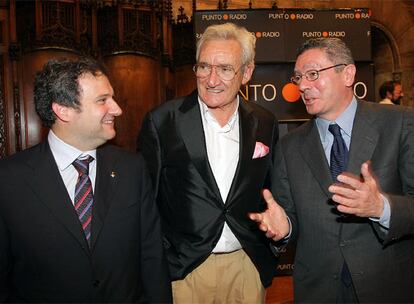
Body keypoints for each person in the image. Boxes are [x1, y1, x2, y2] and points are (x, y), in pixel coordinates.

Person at [250, 38, 414, 303]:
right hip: (318, 291)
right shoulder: (291, 145)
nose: (302, 85)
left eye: (313, 74)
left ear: (347, 73)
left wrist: (380, 208)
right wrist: (284, 229)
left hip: (388, 287)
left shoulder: (401, 123)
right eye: (298, 77)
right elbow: (288, 214)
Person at [0, 58, 172, 303]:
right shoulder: (8, 181)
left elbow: (152, 258)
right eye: (102, 100)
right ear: (63, 110)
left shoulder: (132, 168)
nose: (117, 109)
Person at [137, 23, 279, 303]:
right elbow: (145, 202)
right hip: (186, 271)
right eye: (204, 67)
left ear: (247, 73)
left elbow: (271, 189)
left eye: (225, 69)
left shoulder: (264, 122)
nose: (212, 79)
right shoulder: (163, 121)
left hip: (246, 265)